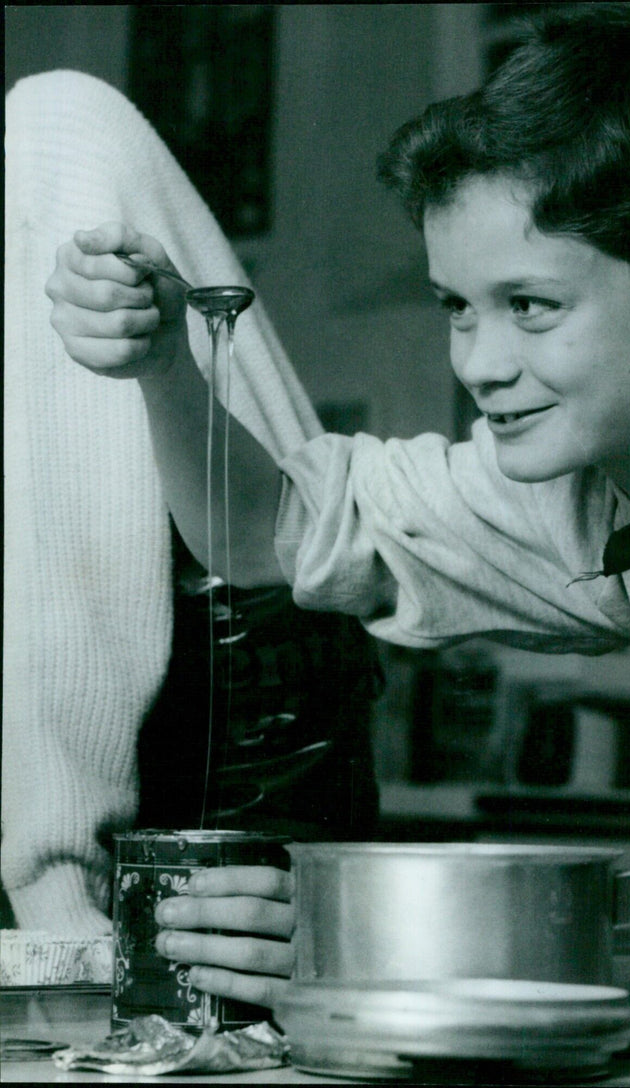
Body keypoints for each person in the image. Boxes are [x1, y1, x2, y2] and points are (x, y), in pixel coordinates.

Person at [45, 7, 630, 1062]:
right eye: (457, 305)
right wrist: (165, 361)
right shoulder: (605, 486)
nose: (478, 362)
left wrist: (411, 962)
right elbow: (269, 531)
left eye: (530, 306)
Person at [3, 68, 379, 941]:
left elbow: (74, 567)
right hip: (246, 695)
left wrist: (55, 888)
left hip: (219, 760)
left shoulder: (49, 142)